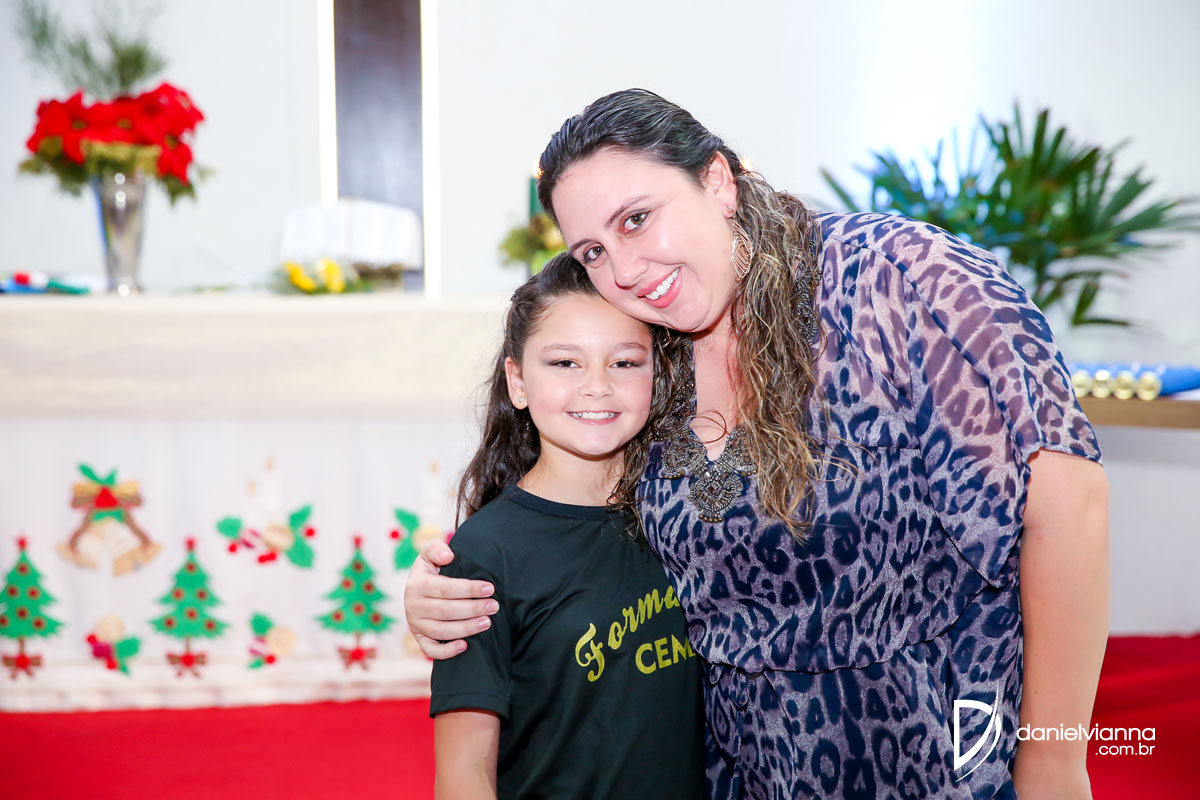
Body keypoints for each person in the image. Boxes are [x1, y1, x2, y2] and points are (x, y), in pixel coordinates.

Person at [409, 89, 1110, 800]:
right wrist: (454, 594)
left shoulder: (898, 281)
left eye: (637, 219)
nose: (622, 270)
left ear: (717, 180)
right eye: (593, 251)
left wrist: (1053, 760)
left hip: (935, 757)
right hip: (737, 775)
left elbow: (1066, 508)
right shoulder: (651, 349)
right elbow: (580, 516)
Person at [429, 253, 706, 799]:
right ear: (517, 381)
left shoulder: (689, 514)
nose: (597, 386)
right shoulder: (486, 552)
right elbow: (464, 771)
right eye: (565, 363)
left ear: (657, 374)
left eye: (624, 362)